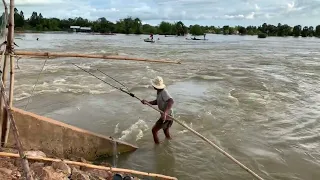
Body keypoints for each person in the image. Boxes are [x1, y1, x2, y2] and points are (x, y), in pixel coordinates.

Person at [141, 76, 174, 144]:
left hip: (167, 115)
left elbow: (171, 101)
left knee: (154, 130)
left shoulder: (164, 92)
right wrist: (147, 102)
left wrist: (165, 113)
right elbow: (157, 101)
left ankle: (157, 146)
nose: (153, 86)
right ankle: (169, 141)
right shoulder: (159, 91)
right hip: (168, 115)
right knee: (165, 130)